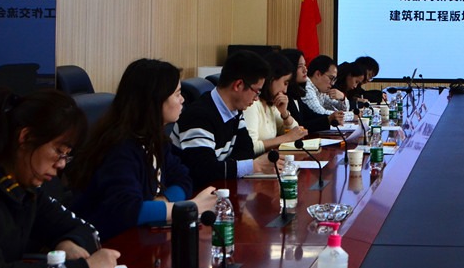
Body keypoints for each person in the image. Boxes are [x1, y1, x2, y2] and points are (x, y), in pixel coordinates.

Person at [68, 59, 218, 241]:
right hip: (110, 242)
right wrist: (190, 207)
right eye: (177, 94)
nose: (182, 100)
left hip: (143, 236)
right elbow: (127, 210)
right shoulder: (119, 149)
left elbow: (183, 178)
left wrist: (162, 202)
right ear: (155, 100)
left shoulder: (155, 139)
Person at [0, 88, 121, 268]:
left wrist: (68, 243)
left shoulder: (25, 190)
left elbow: (87, 231)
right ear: (26, 137)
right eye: (59, 151)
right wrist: (85, 266)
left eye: (66, 156)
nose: (62, 164)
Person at [171, 50, 278, 189]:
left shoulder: (235, 110)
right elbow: (203, 170)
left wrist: (224, 167)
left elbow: (246, 151)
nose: (256, 98)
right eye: (256, 91)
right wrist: (253, 166)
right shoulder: (198, 116)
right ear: (238, 85)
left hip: (219, 187)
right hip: (194, 193)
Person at [242, 52, 308, 155]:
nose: (285, 90)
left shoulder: (271, 105)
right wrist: (286, 138)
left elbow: (296, 131)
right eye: (285, 83)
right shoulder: (251, 104)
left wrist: (284, 114)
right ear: (272, 79)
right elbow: (250, 147)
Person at [280, 48, 339, 132]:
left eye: (305, 65)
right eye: (300, 66)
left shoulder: (296, 93)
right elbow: (300, 125)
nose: (305, 70)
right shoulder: (284, 96)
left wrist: (330, 118)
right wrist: (328, 119)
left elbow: (311, 115)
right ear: (289, 68)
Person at [301, 55, 349, 119]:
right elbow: (321, 113)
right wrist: (352, 116)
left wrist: (342, 98)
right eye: (331, 78)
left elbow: (343, 109)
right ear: (318, 74)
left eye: (334, 80)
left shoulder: (320, 89)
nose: (332, 83)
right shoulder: (306, 87)